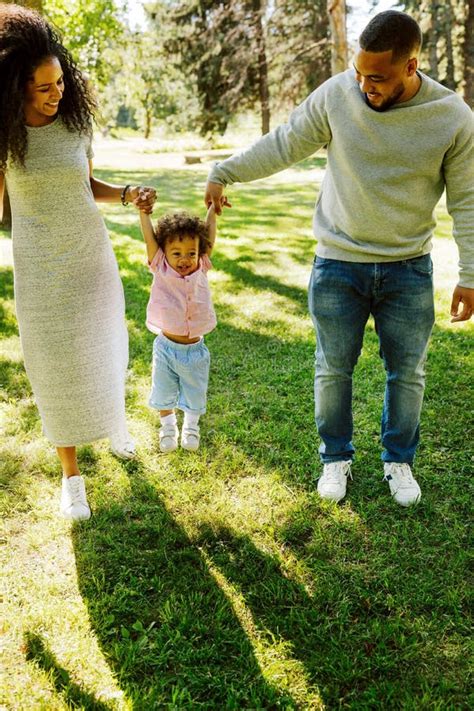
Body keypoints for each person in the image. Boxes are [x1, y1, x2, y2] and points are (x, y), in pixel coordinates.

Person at [204, 10, 473, 507]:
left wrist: (471, 274)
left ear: (412, 66)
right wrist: (225, 171)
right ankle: (335, 459)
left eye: (378, 77)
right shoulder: (337, 94)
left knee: (408, 372)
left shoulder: (452, 117)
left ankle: (398, 461)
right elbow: (284, 143)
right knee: (332, 368)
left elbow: (468, 199)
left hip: (408, 268)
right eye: (359, 72)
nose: (364, 85)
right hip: (337, 264)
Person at [0, 4, 156, 520]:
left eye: (60, 82)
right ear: (16, 87)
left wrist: (128, 193)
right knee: (53, 366)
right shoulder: (4, 138)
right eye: (44, 88)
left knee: (103, 345)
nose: (56, 94)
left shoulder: (74, 123)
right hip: (39, 264)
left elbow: (88, 186)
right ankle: (72, 478)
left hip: (90, 255)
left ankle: (117, 427)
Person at [139, 205, 218, 452]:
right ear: (164, 252)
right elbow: (149, 238)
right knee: (163, 389)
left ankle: (191, 426)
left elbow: (209, 239)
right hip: (165, 347)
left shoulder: (201, 266)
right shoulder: (160, 265)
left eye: (190, 253)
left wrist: (213, 211)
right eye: (176, 253)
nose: (184, 259)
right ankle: (168, 426)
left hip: (195, 349)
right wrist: (144, 214)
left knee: (195, 391)